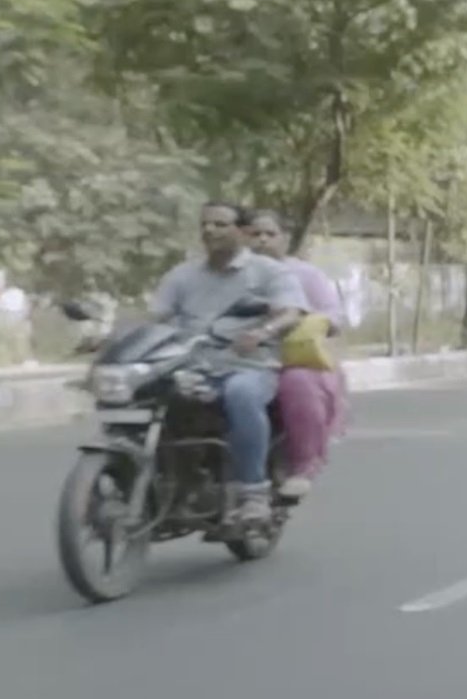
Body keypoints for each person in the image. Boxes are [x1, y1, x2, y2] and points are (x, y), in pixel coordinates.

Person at [149, 201, 307, 525]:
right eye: (205, 224)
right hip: (190, 367)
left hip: (249, 366)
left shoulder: (269, 272)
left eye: (220, 224)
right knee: (146, 392)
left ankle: (253, 493)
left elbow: (290, 312)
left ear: (242, 232)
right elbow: (153, 317)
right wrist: (110, 337)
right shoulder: (182, 275)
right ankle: (168, 481)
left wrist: (263, 332)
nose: (210, 230)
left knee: (241, 393)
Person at [246, 209, 349, 500]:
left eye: (270, 234)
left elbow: (334, 316)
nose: (262, 240)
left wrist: (310, 324)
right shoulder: (231, 273)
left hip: (293, 358)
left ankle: (303, 466)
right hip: (237, 357)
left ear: (285, 239)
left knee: (299, 383)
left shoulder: (305, 275)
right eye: (255, 234)